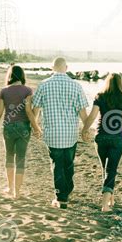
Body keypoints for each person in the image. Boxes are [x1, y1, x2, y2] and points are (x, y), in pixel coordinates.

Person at [32, 57, 89, 209]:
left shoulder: (44, 85)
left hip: (52, 133)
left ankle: (61, 196)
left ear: (52, 68)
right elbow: (83, 112)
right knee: (68, 163)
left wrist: (36, 127)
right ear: (66, 67)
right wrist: (85, 129)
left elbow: (35, 110)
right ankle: (66, 191)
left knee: (57, 164)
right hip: (70, 133)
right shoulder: (76, 86)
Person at [0, 65, 42, 198]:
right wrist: (36, 128)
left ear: (10, 76)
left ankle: (10, 188)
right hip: (23, 128)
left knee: (9, 157)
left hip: (8, 127)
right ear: (22, 76)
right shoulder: (27, 90)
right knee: (20, 159)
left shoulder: (4, 91)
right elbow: (29, 112)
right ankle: (17, 192)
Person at [82, 73, 122, 212]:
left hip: (101, 137)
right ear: (120, 83)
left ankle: (110, 198)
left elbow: (92, 116)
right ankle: (104, 205)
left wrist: (84, 129)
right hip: (116, 139)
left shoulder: (100, 96)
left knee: (106, 169)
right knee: (111, 169)